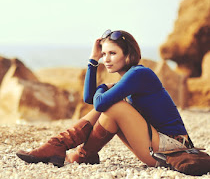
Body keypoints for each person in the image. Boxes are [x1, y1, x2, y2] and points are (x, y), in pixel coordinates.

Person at [16, 29, 192, 168]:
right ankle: (65, 148)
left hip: (171, 149)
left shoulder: (140, 74)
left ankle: (68, 150)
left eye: (112, 54)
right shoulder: (129, 80)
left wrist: (102, 87)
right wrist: (93, 60)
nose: (106, 59)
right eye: (103, 54)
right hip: (154, 147)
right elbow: (89, 99)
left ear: (128, 55)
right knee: (111, 107)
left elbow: (99, 102)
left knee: (114, 107)